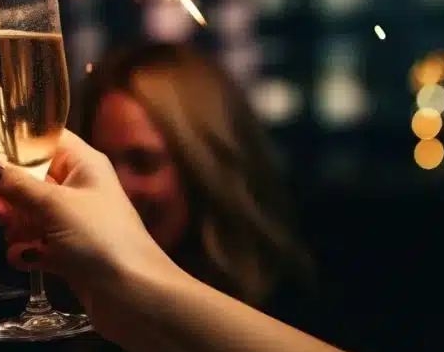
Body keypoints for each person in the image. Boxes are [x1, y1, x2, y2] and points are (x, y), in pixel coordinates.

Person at [0, 131, 391, 352]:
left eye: (143, 161)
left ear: (204, 166)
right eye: (109, 162)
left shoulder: (316, 306)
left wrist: (135, 280)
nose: (119, 189)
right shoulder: (72, 344)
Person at [78, 43, 311, 309]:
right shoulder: (82, 312)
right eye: (100, 164)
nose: (114, 191)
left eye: (144, 163)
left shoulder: (293, 316)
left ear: (204, 168)